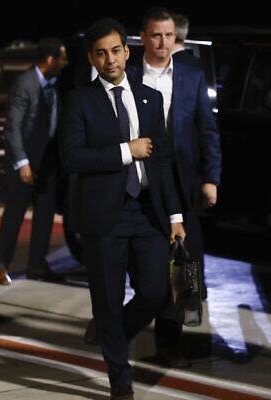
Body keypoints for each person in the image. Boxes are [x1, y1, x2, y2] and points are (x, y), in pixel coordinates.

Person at [59, 18, 185, 400]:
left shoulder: (150, 97)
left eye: (116, 50)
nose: (110, 59)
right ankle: (120, 380)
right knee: (108, 299)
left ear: (127, 52)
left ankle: (110, 330)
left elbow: (162, 162)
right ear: (92, 59)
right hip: (102, 216)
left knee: (155, 290)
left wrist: (176, 216)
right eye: (101, 53)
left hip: (146, 211)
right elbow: (71, 157)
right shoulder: (79, 99)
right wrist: (125, 152)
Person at [128, 7, 221, 368]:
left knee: (184, 268)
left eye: (169, 35)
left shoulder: (191, 75)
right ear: (143, 37)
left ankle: (169, 344)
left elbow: (206, 130)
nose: (163, 42)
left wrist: (211, 177)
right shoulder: (129, 75)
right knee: (146, 268)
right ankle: (127, 321)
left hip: (183, 184)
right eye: (156, 35)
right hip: (142, 182)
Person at [0, 37, 69, 285]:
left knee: (44, 216)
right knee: (14, 215)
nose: (66, 62)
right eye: (63, 57)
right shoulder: (25, 84)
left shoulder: (56, 84)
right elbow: (12, 127)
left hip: (47, 162)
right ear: (50, 60)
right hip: (24, 163)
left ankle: (37, 263)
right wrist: (22, 162)